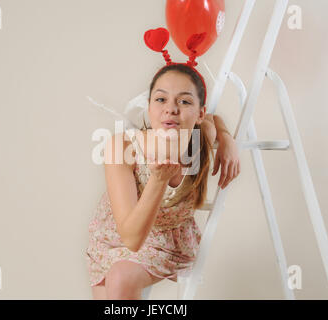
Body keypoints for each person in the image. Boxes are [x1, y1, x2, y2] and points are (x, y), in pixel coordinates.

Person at [85, 62, 240, 299]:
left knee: (121, 278)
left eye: (184, 101)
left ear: (199, 114)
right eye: (160, 99)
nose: (171, 109)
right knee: (115, 290)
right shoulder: (123, 147)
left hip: (168, 239)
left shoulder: (200, 138)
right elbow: (131, 239)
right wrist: (158, 180)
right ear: (148, 107)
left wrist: (227, 138)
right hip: (117, 237)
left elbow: (213, 118)